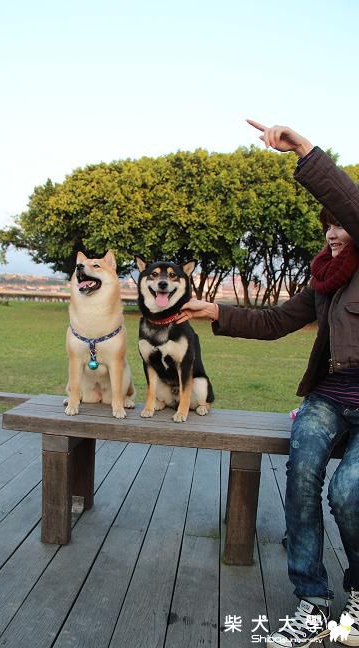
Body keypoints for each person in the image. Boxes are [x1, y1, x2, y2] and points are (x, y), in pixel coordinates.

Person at [177, 120, 359, 648]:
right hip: (329, 398)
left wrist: (303, 149)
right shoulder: (324, 282)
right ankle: (312, 601)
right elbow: (276, 321)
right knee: (300, 479)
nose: (332, 233)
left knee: (349, 493)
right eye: (327, 227)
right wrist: (216, 311)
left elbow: (353, 205)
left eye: (341, 225)